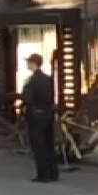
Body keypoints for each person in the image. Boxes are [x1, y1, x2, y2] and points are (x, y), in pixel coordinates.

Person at [21, 53, 59, 183]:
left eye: (29, 62)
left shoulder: (31, 81)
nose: (27, 64)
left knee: (39, 145)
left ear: (33, 64)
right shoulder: (48, 79)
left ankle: (43, 174)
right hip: (48, 114)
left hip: (36, 115)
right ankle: (53, 173)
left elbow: (27, 98)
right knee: (49, 144)